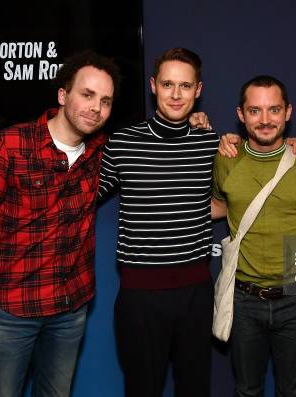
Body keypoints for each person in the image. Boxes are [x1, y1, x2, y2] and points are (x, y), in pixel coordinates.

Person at [0, 50, 121, 396]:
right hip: (9, 311)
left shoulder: (100, 151)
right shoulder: (10, 145)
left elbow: (154, 138)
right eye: (87, 95)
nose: (96, 108)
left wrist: (195, 122)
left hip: (69, 309)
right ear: (63, 95)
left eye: (105, 101)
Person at [97, 47, 220, 397]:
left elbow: (240, 196)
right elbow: (82, 196)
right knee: (142, 389)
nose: (176, 94)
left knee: (195, 389)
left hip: (196, 293)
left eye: (185, 85)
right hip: (140, 296)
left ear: (198, 90)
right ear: (153, 86)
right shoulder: (122, 143)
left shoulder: (210, 143)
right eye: (168, 84)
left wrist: (293, 146)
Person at [212, 75, 296, 397]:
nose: (265, 120)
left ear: (288, 112)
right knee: (247, 390)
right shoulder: (226, 158)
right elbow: (217, 208)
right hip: (245, 299)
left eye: (273, 110)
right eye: (255, 111)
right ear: (240, 114)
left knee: (293, 392)